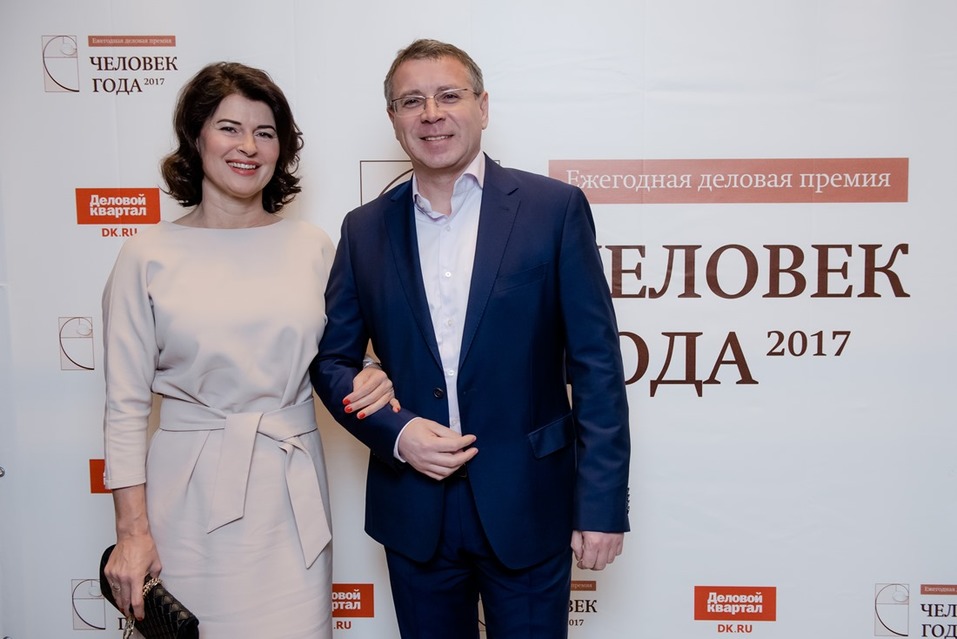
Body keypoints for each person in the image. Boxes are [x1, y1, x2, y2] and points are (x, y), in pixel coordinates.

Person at [310, 39, 631, 638]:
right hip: (414, 509)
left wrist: (602, 504)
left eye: (449, 95)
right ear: (394, 119)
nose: (431, 113)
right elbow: (331, 363)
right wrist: (398, 433)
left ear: (482, 106)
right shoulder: (364, 230)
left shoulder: (553, 209)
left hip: (529, 502)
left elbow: (597, 367)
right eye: (412, 101)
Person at [100, 62, 398, 639]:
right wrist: (131, 534)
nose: (248, 147)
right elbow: (124, 407)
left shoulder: (312, 246)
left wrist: (370, 371)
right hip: (186, 496)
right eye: (229, 128)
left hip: (292, 492)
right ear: (195, 137)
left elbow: (338, 355)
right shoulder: (146, 254)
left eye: (265, 133)